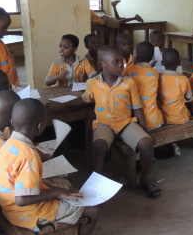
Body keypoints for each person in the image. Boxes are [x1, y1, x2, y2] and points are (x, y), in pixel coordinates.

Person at [46, 46, 160, 199]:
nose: (121, 65)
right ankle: (96, 185)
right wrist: (62, 105)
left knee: (147, 144)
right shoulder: (93, 83)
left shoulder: (129, 83)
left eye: (122, 61)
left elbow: (137, 108)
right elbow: (84, 99)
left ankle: (145, 181)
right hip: (104, 124)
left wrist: (145, 131)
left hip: (125, 123)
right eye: (116, 62)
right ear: (103, 64)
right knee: (98, 148)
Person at [0, 99, 100, 235]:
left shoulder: (8, 144)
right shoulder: (28, 156)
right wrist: (56, 192)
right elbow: (21, 200)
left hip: (8, 206)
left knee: (72, 190)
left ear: (12, 122)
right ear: (40, 127)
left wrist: (57, 190)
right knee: (94, 210)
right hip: (25, 213)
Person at [158, 48, 193, 156]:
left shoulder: (158, 78)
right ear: (179, 63)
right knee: (189, 110)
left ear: (162, 63)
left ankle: (172, 144)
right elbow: (189, 97)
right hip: (180, 118)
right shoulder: (183, 79)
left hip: (162, 118)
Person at [123, 41, 164, 131]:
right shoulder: (155, 73)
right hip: (154, 121)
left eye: (133, 53)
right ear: (152, 57)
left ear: (137, 55)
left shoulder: (127, 70)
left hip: (134, 122)